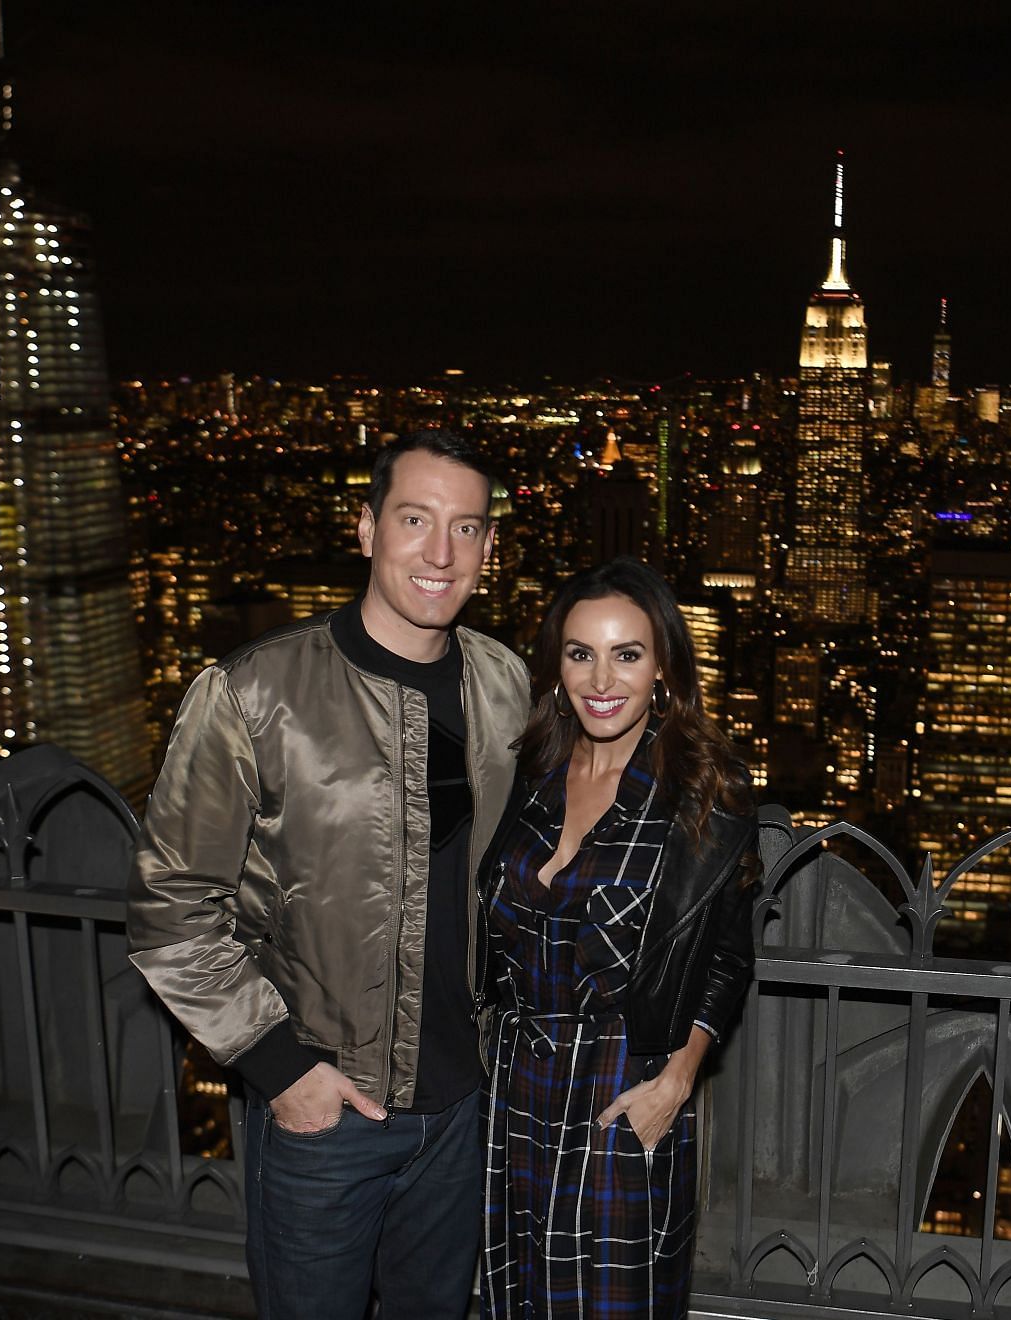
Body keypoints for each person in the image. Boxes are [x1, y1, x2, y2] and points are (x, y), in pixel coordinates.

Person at [127, 430, 529, 1320]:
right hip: (325, 1115)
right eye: (415, 519)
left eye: (467, 529)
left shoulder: (503, 683)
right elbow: (170, 908)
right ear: (365, 528)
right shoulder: (254, 694)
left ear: (490, 549)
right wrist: (284, 1070)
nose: (440, 552)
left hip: (462, 1112)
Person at [478, 557, 758, 1320]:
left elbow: (729, 955)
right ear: (558, 665)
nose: (602, 679)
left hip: (619, 1084)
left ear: (662, 666)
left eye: (626, 654)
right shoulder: (531, 767)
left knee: (613, 1303)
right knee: (520, 1295)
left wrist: (677, 1081)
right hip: (514, 1086)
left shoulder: (703, 787)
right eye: (581, 653)